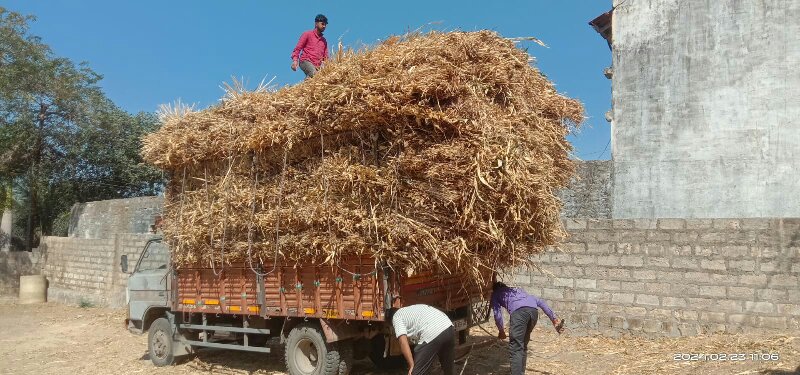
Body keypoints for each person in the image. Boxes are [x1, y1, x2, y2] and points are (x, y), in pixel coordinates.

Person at [491, 282, 564, 375]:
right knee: (523, 345)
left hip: (519, 314)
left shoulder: (496, 293)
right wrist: (554, 319)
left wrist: (501, 331)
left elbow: (497, 314)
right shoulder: (518, 291)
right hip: (533, 313)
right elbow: (540, 302)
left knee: (516, 348)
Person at [389, 296, 455, 375]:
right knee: (448, 369)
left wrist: (412, 365)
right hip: (448, 326)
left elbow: (403, 342)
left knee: (417, 373)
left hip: (433, 331)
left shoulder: (396, 317)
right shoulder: (410, 309)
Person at [291, 14, 329, 78]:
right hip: (305, 61)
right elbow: (298, 48)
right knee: (315, 75)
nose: (324, 26)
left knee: (314, 80)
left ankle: (303, 86)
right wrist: (295, 60)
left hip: (317, 66)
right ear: (316, 24)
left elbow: (326, 57)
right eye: (322, 24)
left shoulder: (324, 41)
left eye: (325, 25)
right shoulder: (307, 34)